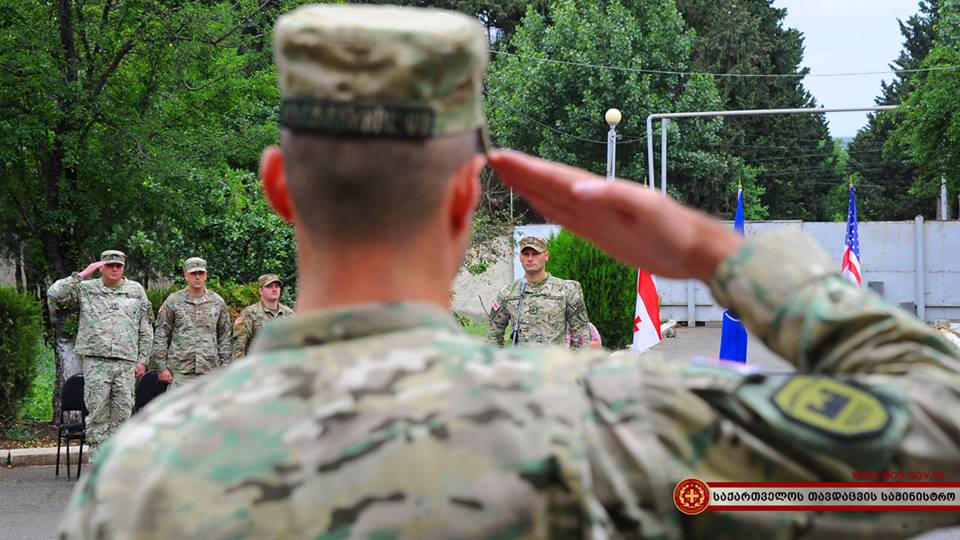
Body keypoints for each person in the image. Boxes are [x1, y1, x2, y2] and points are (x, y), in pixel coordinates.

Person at [59, 5, 960, 539]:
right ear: (466, 197)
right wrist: (714, 253)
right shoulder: (603, 421)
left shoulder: (141, 475)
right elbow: (940, 443)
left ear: (279, 187)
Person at [46, 250, 152, 457]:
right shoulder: (86, 288)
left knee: (123, 415)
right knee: (97, 415)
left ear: (123, 268)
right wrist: (83, 274)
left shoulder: (136, 290)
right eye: (110, 265)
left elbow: (145, 328)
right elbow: (54, 294)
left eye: (118, 265)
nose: (114, 269)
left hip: (125, 362)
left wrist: (143, 360)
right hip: (96, 362)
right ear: (101, 267)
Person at [487, 235, 591, 348]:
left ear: (546, 256)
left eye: (535, 254)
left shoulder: (566, 290)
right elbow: (494, 335)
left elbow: (581, 333)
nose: (530, 258)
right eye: (526, 254)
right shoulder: (508, 293)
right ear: (520, 257)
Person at [150, 257, 232, 388]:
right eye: (193, 273)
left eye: (201, 273)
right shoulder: (173, 301)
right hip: (180, 372)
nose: (197, 277)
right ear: (186, 275)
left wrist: (226, 367)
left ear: (206, 275)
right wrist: (161, 367)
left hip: (210, 371)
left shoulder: (217, 302)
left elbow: (225, 336)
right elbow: (161, 333)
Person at [232, 273, 295, 360]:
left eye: (277, 286)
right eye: (269, 286)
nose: (274, 289)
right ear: (261, 290)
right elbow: (239, 347)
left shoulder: (289, 314)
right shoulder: (250, 313)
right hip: (258, 366)